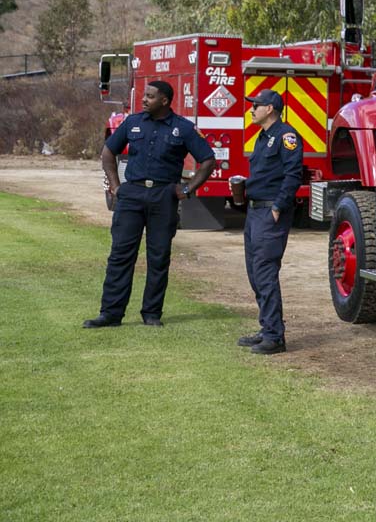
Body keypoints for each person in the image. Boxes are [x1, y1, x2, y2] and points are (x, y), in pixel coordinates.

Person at [85, 80, 216, 328]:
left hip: (163, 197)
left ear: (164, 101)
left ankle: (152, 314)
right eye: (144, 96)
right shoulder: (132, 122)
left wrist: (187, 190)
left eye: (150, 96)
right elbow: (108, 152)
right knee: (120, 255)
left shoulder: (184, 128)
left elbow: (208, 160)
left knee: (158, 257)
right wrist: (116, 187)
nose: (144, 100)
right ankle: (111, 314)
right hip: (131, 195)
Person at [238, 89, 303, 354]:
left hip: (269, 213)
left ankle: (275, 337)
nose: (252, 109)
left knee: (264, 272)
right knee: (255, 273)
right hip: (255, 212)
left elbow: (293, 175)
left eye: (256, 105)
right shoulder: (262, 137)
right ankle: (267, 328)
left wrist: (278, 207)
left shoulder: (286, 136)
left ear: (270, 109)